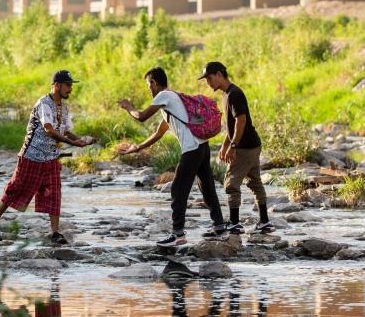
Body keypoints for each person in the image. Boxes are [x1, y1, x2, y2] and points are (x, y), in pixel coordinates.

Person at [116, 66, 228, 247]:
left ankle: (177, 234)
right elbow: (159, 133)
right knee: (206, 187)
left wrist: (128, 107)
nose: (149, 90)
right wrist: (137, 148)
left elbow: (142, 116)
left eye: (148, 85)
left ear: (154, 82)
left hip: (192, 149)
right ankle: (220, 227)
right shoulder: (171, 100)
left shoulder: (164, 96)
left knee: (177, 189)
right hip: (202, 147)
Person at [0, 70, 96, 245]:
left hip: (51, 157)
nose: (70, 89)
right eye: (68, 85)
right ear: (57, 85)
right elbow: (49, 129)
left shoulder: (64, 108)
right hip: (31, 155)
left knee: (55, 193)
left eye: (71, 85)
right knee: (16, 189)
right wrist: (73, 143)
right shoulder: (43, 104)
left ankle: (55, 233)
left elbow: (64, 130)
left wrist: (80, 140)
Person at [199, 61, 274, 234]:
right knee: (255, 182)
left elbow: (241, 120)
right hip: (252, 145)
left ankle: (234, 222)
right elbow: (231, 125)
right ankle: (264, 222)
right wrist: (225, 146)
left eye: (209, 78)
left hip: (245, 147)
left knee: (231, 183)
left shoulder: (234, 94)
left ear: (219, 74)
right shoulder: (227, 94)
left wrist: (233, 145)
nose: (208, 83)